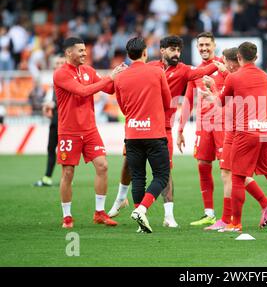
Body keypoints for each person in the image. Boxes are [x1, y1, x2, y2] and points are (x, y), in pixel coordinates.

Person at [107, 35, 219, 228]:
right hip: (143, 124)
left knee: (165, 170)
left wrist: (219, 62)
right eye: (172, 50)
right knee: (130, 164)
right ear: (162, 50)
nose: (176, 53)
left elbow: (203, 70)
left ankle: (168, 216)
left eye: (178, 50)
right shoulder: (150, 67)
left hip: (163, 127)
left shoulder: (183, 70)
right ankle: (120, 199)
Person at [205, 42, 267, 232]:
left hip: (245, 132)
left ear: (238, 58)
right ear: (256, 58)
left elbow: (221, 103)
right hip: (264, 131)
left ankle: (235, 223)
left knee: (237, 178)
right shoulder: (264, 76)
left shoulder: (233, 78)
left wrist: (213, 87)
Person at [54, 37, 126, 229]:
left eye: (85, 50)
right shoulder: (60, 74)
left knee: (102, 166)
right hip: (69, 131)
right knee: (68, 173)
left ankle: (100, 213)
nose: (85, 53)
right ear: (69, 53)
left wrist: (121, 76)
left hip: (90, 129)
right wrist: (109, 78)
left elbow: (109, 88)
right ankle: (67, 216)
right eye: (80, 51)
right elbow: (83, 92)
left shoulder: (88, 70)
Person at [113, 37, 172, 233]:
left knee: (138, 177)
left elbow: (123, 107)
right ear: (145, 53)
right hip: (154, 133)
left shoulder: (120, 77)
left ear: (129, 55)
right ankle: (142, 210)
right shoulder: (157, 72)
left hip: (132, 134)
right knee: (162, 176)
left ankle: (140, 220)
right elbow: (167, 100)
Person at [177, 32, 227, 226]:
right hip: (203, 126)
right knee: (203, 166)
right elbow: (188, 101)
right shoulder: (195, 71)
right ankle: (209, 213)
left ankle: (230, 215)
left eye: (207, 44)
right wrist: (180, 129)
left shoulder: (223, 65)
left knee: (228, 170)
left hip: (223, 125)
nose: (204, 48)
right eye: (201, 45)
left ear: (214, 45)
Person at [34, 54, 66, 187]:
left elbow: (63, 100)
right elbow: (55, 100)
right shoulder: (56, 80)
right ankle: (47, 177)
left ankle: (66, 178)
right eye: (56, 63)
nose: (58, 65)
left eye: (60, 63)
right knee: (51, 148)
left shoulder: (66, 78)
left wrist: (52, 105)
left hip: (64, 121)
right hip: (55, 119)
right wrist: (49, 107)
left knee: (64, 150)